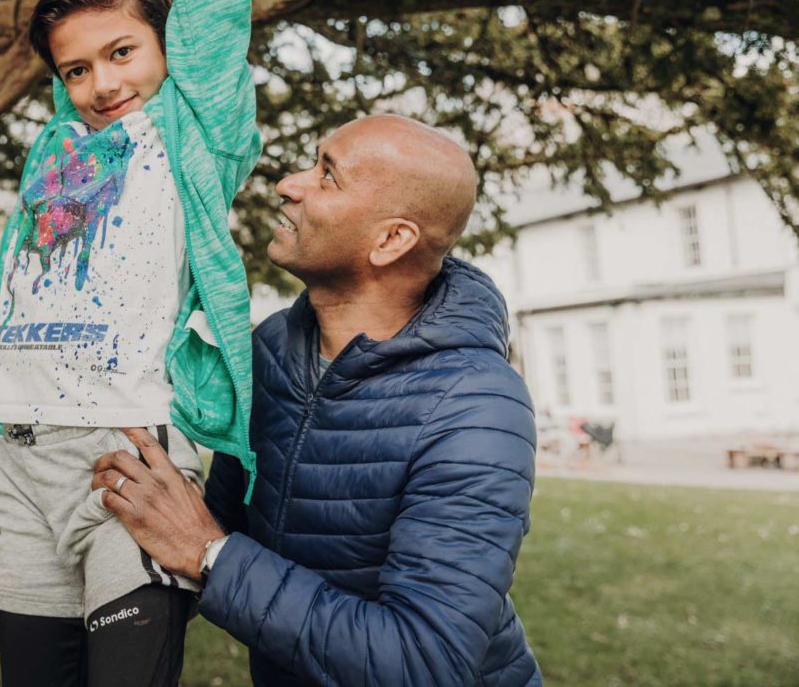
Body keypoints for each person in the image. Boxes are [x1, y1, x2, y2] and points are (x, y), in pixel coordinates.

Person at [0, 0, 260, 684]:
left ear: (168, 46)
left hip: (127, 456)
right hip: (23, 465)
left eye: (122, 52)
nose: (99, 83)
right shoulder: (65, 137)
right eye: (76, 68)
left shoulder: (189, 129)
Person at [93, 115, 543, 685]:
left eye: (327, 176)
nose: (289, 183)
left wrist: (211, 555)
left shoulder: (477, 406)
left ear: (391, 240)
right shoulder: (270, 349)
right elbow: (214, 522)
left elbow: (424, 661)